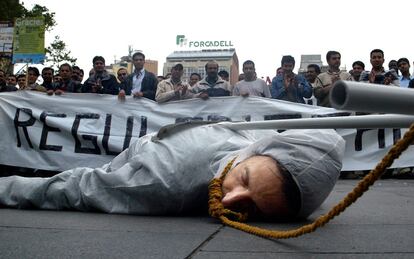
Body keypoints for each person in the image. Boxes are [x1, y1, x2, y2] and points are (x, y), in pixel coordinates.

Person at [0, 123, 344, 220]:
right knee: (96, 179)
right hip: (152, 154)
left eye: (251, 208)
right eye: (244, 181)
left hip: (182, 137)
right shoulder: (162, 182)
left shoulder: (262, 146)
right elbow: (78, 189)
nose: (231, 198)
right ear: (252, 155)